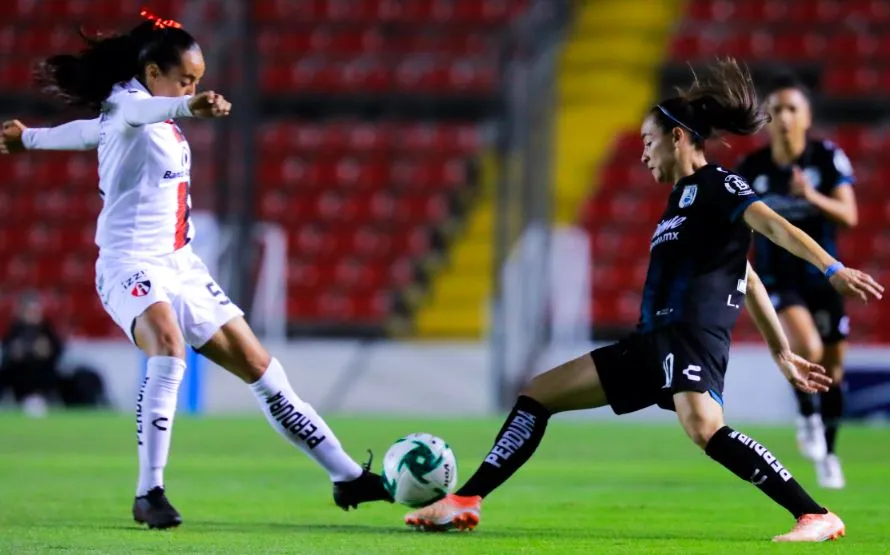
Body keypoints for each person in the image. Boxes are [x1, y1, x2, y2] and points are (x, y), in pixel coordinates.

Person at [403, 59, 883, 542]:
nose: (643, 154)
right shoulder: (681, 200)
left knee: (704, 429)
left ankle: (816, 515)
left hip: (690, 335)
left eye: (648, 142)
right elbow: (751, 279)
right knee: (538, 393)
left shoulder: (718, 184)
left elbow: (775, 226)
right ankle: (465, 500)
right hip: (651, 342)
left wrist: (832, 268)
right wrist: (782, 352)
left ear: (677, 138)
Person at [1, 12, 391, 529]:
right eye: (185, 78)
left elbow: (87, 133)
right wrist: (189, 105)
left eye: (198, 81)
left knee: (263, 370)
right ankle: (149, 491)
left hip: (183, 266)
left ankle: (345, 476)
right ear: (155, 72)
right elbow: (135, 114)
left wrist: (28, 138)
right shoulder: (134, 103)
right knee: (168, 347)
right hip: (129, 264)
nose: (194, 87)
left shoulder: (130, 113)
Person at [736, 75, 857, 489]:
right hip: (777, 277)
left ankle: (830, 453)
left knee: (834, 370)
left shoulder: (826, 158)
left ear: (806, 117)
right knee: (807, 347)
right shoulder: (752, 168)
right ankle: (807, 415)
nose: (783, 117)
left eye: (792, 109)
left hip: (824, 277)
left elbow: (850, 216)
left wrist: (811, 196)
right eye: (775, 110)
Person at [0, 292, 64, 416]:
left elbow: (57, 351)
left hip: (42, 371)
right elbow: (7, 350)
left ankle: (41, 398)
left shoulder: (47, 330)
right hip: (18, 371)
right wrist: (15, 352)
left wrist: (47, 351)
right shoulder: (15, 329)